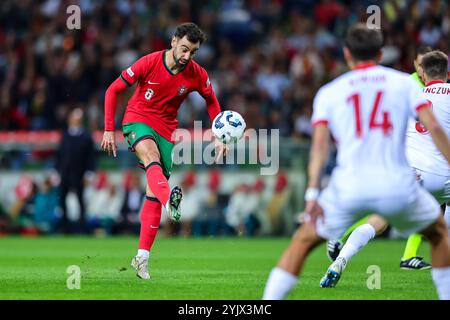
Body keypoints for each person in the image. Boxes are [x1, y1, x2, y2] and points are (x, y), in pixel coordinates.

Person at [262, 23, 450, 300]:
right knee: (438, 236)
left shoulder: (329, 92)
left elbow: (319, 147)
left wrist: (313, 193)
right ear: (381, 53)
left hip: (348, 184)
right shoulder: (403, 85)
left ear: (347, 54)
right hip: (397, 182)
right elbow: (433, 127)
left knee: (301, 243)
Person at [101, 23, 228, 280]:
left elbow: (212, 101)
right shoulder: (148, 62)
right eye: (184, 49)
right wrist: (107, 129)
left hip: (167, 130)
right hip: (137, 119)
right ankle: (170, 200)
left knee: (152, 191)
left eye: (193, 52)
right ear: (173, 42)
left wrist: (220, 135)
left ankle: (142, 258)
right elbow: (112, 89)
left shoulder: (196, 74)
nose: (187, 57)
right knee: (151, 157)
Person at [320, 50, 450, 288]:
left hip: (414, 174)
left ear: (422, 72)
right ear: (448, 74)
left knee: (377, 221)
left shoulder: (411, 96)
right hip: (447, 176)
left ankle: (341, 260)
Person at [55, 108, 95, 234]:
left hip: (79, 173)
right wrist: (55, 171)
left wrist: (89, 173)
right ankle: (65, 228)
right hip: (65, 173)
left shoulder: (86, 137)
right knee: (62, 200)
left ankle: (82, 228)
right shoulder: (65, 135)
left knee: (80, 201)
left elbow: (90, 157)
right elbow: (59, 155)